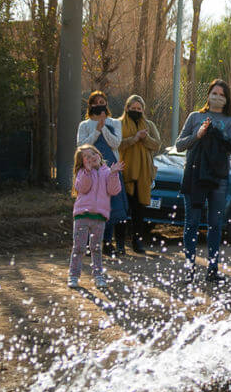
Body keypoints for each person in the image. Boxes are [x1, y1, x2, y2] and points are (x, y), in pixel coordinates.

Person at [175, 80, 231, 283]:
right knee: (192, 222)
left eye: (222, 94)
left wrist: (215, 134)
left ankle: (212, 269)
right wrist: (198, 134)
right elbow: (179, 145)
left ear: (227, 98)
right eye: (214, 93)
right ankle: (189, 268)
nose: (218, 97)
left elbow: (230, 148)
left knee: (215, 223)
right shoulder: (195, 117)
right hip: (194, 176)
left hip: (218, 177)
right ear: (208, 94)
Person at [76, 91, 129, 258]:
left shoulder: (114, 123)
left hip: (110, 169)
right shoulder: (84, 125)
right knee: (90, 205)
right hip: (90, 171)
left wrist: (104, 126)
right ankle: (86, 243)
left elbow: (116, 143)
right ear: (90, 106)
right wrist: (96, 131)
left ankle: (107, 243)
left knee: (110, 206)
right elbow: (81, 146)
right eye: (96, 102)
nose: (100, 105)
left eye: (102, 101)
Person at [68, 144, 122, 289]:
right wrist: (87, 171)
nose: (91, 157)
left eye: (93, 154)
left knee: (96, 248)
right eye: (86, 156)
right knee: (79, 247)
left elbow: (114, 190)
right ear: (82, 161)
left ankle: (98, 276)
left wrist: (114, 174)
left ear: (99, 154)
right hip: (82, 216)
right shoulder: (82, 172)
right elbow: (82, 188)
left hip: (99, 217)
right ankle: (73, 275)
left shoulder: (107, 172)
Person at [118, 94, 163, 254]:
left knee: (139, 211)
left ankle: (138, 242)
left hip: (143, 175)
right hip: (124, 173)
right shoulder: (119, 124)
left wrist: (145, 138)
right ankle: (120, 243)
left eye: (139, 108)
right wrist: (134, 138)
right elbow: (117, 145)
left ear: (143, 109)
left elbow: (157, 144)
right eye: (133, 108)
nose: (136, 111)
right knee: (122, 210)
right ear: (127, 108)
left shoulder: (149, 125)